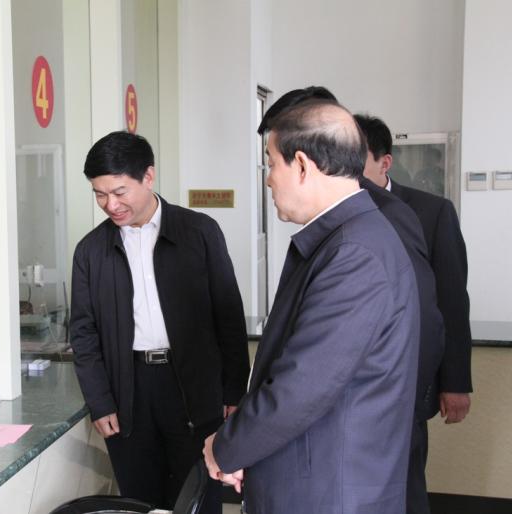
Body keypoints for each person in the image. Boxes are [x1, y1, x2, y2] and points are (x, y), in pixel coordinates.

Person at [203, 100, 420, 513]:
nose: (268, 180)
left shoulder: (354, 252)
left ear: (302, 165)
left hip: (328, 491)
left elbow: (300, 387)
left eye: (271, 164)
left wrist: (225, 448)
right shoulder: (348, 237)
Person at [70, 131, 250, 513]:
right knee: (140, 500)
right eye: (99, 194)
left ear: (148, 176)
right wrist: (99, 401)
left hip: (193, 388)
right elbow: (83, 333)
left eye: (119, 192)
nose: (110, 204)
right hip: (129, 391)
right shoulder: (90, 251)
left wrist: (234, 391)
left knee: (198, 497)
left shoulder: (199, 232)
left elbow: (229, 317)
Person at [356, 113, 472, 514]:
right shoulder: (333, 213)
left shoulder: (431, 212)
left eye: (356, 158)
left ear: (384, 162)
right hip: (352, 384)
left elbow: (451, 302)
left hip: (408, 381)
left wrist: (455, 382)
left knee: (404, 487)